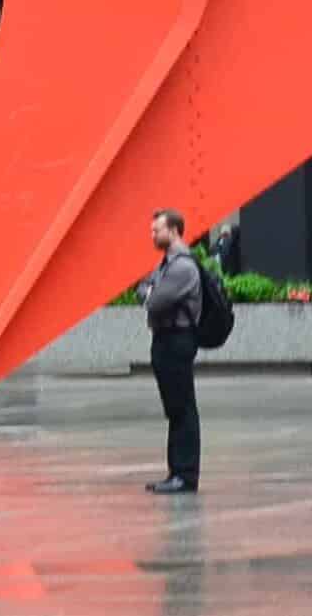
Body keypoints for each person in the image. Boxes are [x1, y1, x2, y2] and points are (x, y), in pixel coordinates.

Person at [141, 208, 202, 496]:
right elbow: (145, 290)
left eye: (158, 230)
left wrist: (151, 291)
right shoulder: (167, 264)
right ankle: (176, 471)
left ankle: (185, 475)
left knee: (182, 409)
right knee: (175, 408)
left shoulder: (181, 267)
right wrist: (150, 291)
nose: (153, 235)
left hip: (177, 339)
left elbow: (153, 301)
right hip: (166, 339)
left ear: (175, 230)